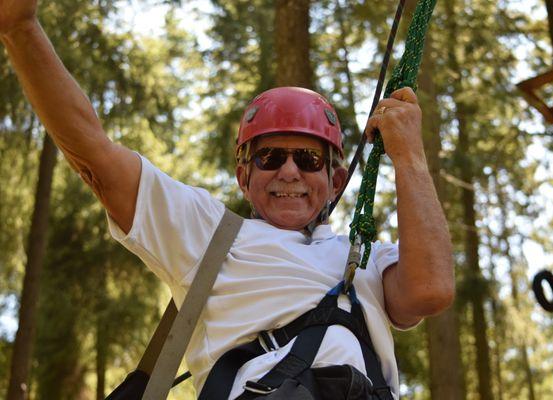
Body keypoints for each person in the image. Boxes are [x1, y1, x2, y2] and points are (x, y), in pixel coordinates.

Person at [1, 1, 454, 399]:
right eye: (271, 156)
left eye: (309, 159)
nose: (290, 171)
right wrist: (19, 29)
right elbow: (97, 158)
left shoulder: (369, 259)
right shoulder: (208, 234)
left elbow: (431, 290)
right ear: (244, 176)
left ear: (336, 180)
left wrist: (409, 156)